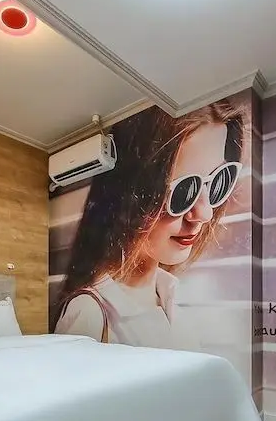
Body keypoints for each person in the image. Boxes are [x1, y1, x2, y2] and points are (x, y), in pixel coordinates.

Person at [52, 99, 244, 348]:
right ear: (129, 196)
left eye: (219, 180)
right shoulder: (91, 313)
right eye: (184, 190)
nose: (205, 213)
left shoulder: (174, 296)